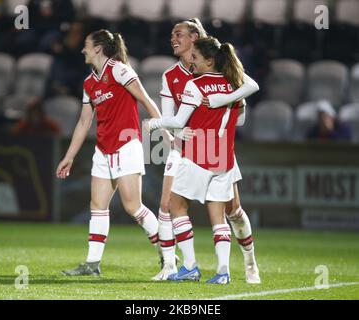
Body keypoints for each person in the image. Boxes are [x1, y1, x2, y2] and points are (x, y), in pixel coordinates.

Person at [152, 18, 261, 284]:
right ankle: (175, 266)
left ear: (196, 39)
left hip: (203, 151)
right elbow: (176, 122)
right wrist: (178, 134)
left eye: (179, 33)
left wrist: (152, 124)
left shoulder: (211, 72)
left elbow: (172, 118)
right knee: (168, 206)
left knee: (232, 210)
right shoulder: (172, 76)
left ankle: (249, 263)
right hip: (198, 150)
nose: (173, 38)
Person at [57, 30, 164, 276]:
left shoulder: (119, 70)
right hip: (102, 150)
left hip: (127, 146)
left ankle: (167, 254)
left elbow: (147, 100)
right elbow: (84, 122)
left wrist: (165, 132)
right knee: (97, 206)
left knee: (133, 207)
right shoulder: (88, 83)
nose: (83, 50)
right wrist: (69, 156)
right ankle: (92, 265)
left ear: (98, 48)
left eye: (86, 45)